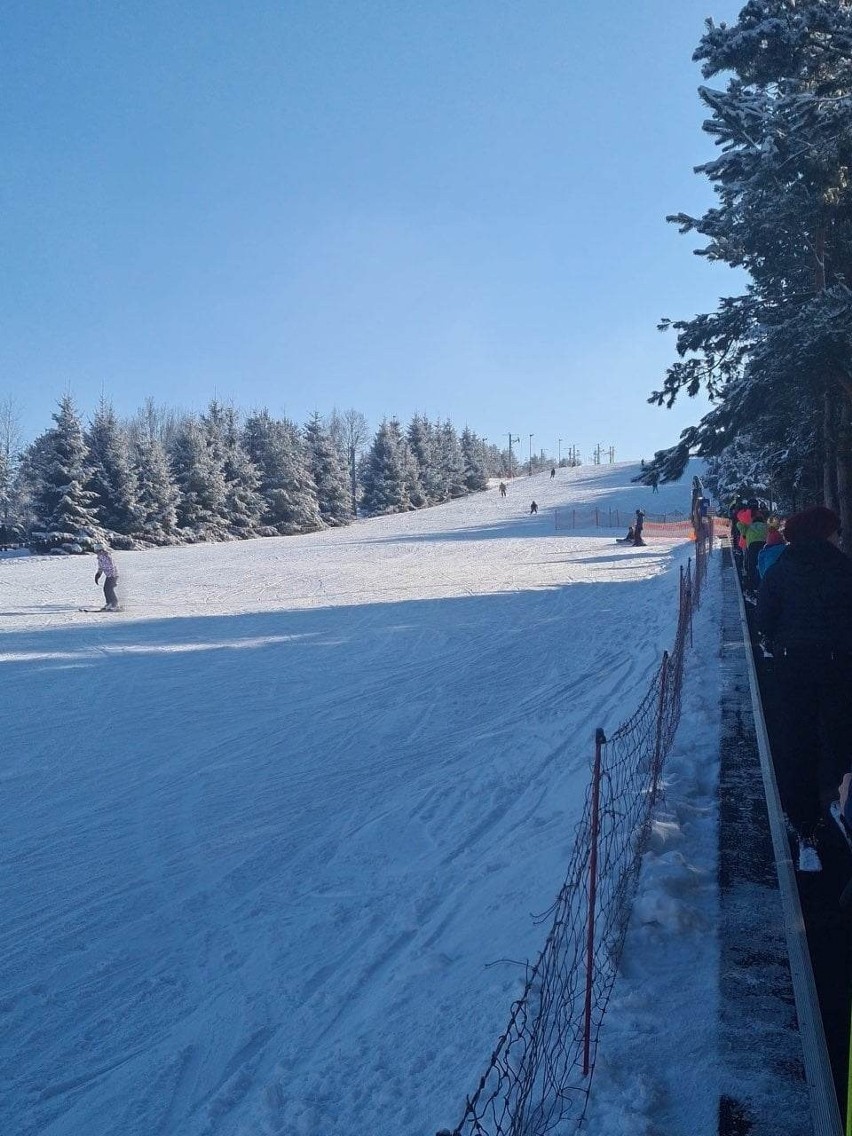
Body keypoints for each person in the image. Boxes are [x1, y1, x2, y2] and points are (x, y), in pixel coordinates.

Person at [756, 506, 852, 872]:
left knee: (798, 744)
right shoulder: (843, 568)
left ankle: (805, 830)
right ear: (825, 534)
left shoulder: (781, 568)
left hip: (792, 668)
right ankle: (842, 804)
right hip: (839, 666)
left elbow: (765, 615)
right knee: (842, 738)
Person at [94, 542, 120, 611]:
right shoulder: (100, 557)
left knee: (108, 588)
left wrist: (111, 574)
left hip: (112, 575)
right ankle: (109, 603)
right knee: (106, 589)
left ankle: (114, 603)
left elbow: (111, 565)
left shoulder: (105, 556)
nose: (95, 551)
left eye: (96, 549)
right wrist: (98, 574)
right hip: (110, 575)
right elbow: (101, 567)